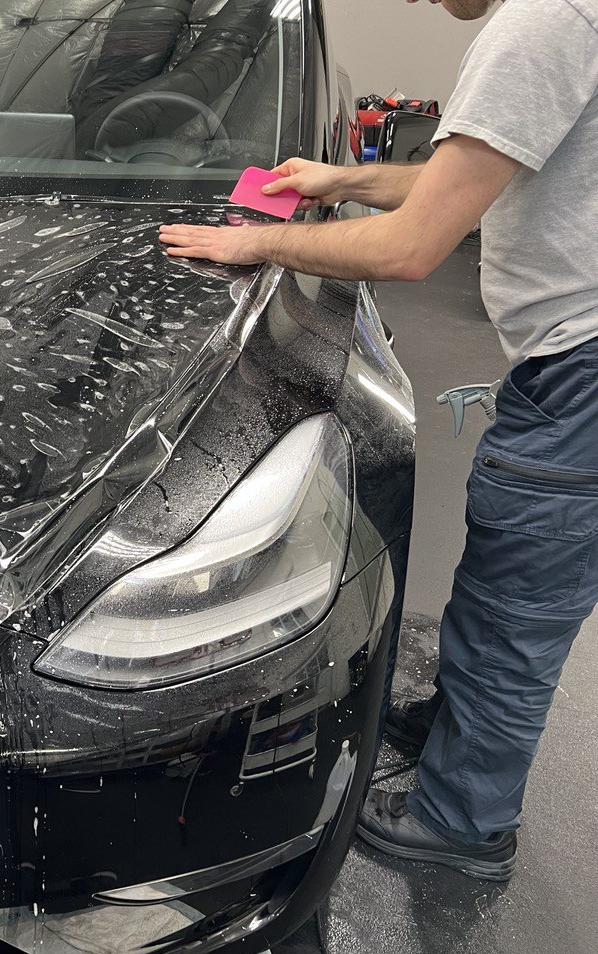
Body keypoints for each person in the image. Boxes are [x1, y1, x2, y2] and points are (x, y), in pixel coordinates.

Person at [159, 0, 598, 882]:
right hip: (570, 362)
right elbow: (461, 183)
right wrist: (337, 180)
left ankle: (464, 823)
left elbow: (413, 245)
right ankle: (455, 731)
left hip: (582, 373)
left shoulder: (538, 24)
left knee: (520, 607)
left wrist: (264, 246)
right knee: (501, 575)